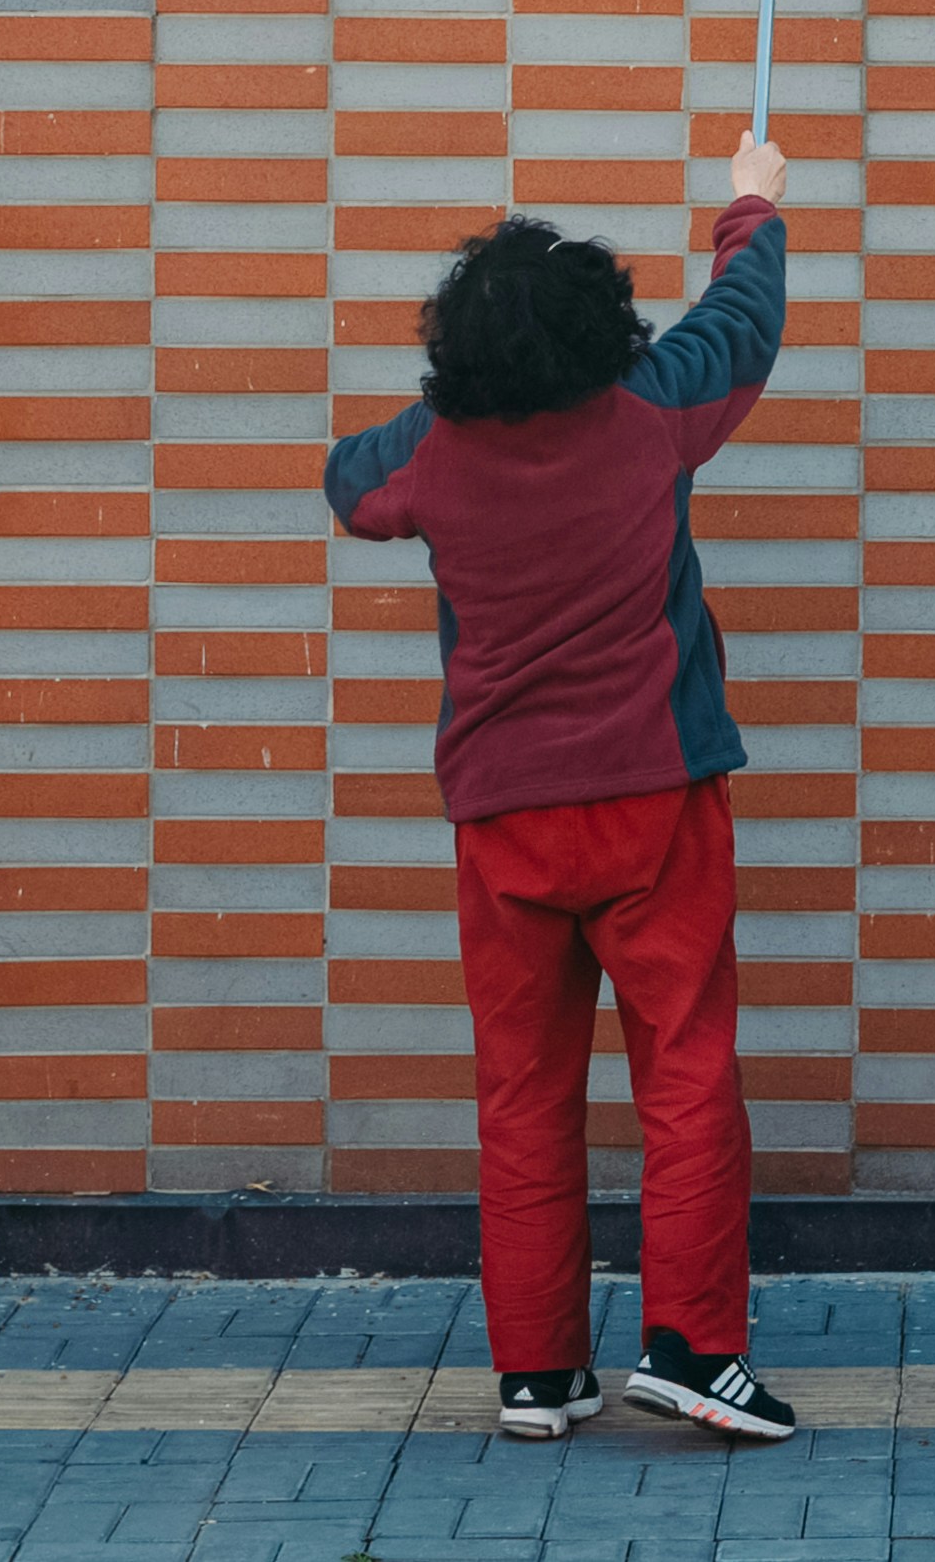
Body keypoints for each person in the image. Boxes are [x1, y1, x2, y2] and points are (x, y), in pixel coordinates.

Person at [321, 129, 804, 1442]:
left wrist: (447, 420)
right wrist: (749, 202)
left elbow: (349, 483)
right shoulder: (652, 411)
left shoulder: (432, 450)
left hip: (504, 820)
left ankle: (537, 1372)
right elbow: (742, 324)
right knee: (686, 1073)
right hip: (656, 803)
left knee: (522, 1092)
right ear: (603, 328)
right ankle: (693, 1350)